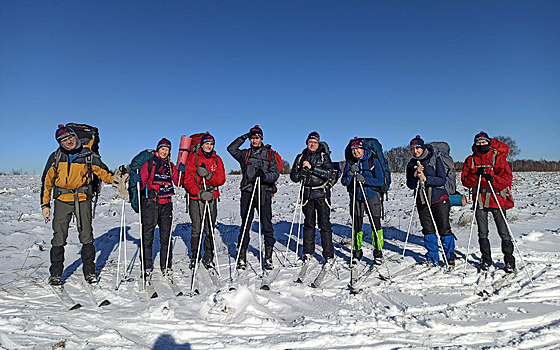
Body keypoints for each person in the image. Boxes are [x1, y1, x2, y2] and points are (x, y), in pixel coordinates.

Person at [41, 125, 126, 285]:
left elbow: (105, 174)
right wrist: (45, 205)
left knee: (86, 236)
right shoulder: (56, 157)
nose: (69, 142)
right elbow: (46, 182)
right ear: (60, 143)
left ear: (75, 137)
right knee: (58, 238)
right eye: (64, 140)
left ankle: (90, 272)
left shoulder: (88, 156)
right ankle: (55, 275)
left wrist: (119, 178)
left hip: (82, 200)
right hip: (61, 201)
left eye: (70, 138)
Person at [461, 131, 515, 273]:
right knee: (482, 232)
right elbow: (465, 180)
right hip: (480, 199)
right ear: (475, 145)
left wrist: (493, 179)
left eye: (483, 142)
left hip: (497, 197)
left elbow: (507, 179)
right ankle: (486, 260)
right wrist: (475, 176)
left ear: (488, 143)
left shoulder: (498, 158)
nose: (481, 145)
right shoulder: (470, 160)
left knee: (503, 231)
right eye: (478, 143)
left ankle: (509, 260)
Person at [227, 125, 280, 270]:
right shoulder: (245, 154)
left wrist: (265, 176)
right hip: (248, 191)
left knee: (267, 224)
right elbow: (231, 149)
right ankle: (242, 255)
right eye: (252, 138)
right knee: (245, 224)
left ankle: (268, 255)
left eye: (256, 137)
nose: (254, 140)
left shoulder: (270, 154)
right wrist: (243, 136)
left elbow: (275, 173)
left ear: (261, 138)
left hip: (264, 192)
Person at [406, 135, 456, 267]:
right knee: (428, 229)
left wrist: (426, 178)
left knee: (444, 228)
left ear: (423, 148)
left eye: (418, 148)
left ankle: (449, 255)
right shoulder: (412, 163)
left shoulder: (435, 159)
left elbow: (442, 179)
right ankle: (432, 257)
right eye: (413, 149)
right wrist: (415, 175)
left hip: (439, 199)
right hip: (422, 200)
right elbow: (410, 184)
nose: (415, 151)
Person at [182, 133, 226, 270]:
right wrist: (199, 192)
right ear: (202, 144)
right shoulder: (193, 158)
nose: (209, 146)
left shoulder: (217, 159)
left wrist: (208, 175)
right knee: (196, 228)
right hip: (196, 197)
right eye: (207, 143)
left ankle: (209, 258)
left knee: (209, 228)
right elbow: (187, 179)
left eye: (211, 144)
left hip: (211, 196)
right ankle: (195, 257)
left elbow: (221, 179)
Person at [290, 131, 335, 265]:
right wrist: (300, 174)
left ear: (318, 143)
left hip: (321, 195)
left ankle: (328, 255)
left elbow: (328, 173)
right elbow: (293, 176)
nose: (312, 144)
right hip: (307, 195)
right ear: (307, 143)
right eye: (310, 142)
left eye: (315, 142)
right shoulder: (300, 157)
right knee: (308, 224)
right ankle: (308, 252)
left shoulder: (323, 156)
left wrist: (312, 168)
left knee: (324, 225)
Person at [137, 138, 179, 280]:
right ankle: (146, 266)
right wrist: (137, 181)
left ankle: (166, 265)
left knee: (166, 236)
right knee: (148, 235)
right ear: (158, 149)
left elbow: (178, 181)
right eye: (162, 149)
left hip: (166, 203)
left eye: (167, 149)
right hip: (151, 203)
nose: (164, 151)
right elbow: (142, 184)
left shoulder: (170, 165)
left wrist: (181, 171)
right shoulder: (149, 164)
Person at [341, 137, 384, 265]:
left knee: (375, 225)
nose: (355, 152)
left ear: (364, 149)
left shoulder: (373, 161)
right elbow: (344, 182)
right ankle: (357, 252)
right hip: (356, 196)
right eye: (353, 150)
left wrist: (365, 180)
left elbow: (380, 180)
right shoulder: (350, 163)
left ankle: (378, 253)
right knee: (356, 226)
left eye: (358, 149)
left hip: (372, 196)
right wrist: (349, 174)